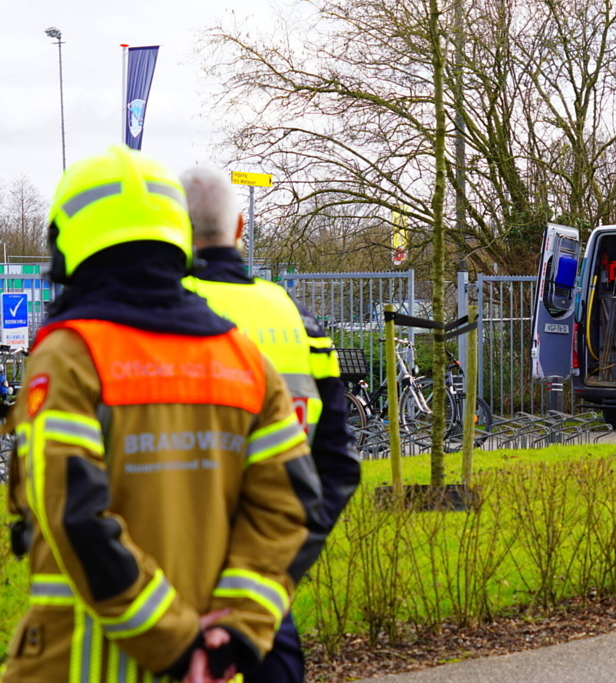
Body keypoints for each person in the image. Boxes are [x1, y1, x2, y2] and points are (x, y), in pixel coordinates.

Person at [1, 145, 326, 683]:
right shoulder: (243, 360)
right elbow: (291, 508)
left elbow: (75, 515)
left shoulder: (70, 355)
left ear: (69, 242)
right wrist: (235, 634)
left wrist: (175, 643)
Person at [179, 166, 361, 683]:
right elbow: (339, 466)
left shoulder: (162, 318)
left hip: (174, 588)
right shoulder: (297, 319)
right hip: (265, 597)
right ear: (238, 228)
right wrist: (277, 573)